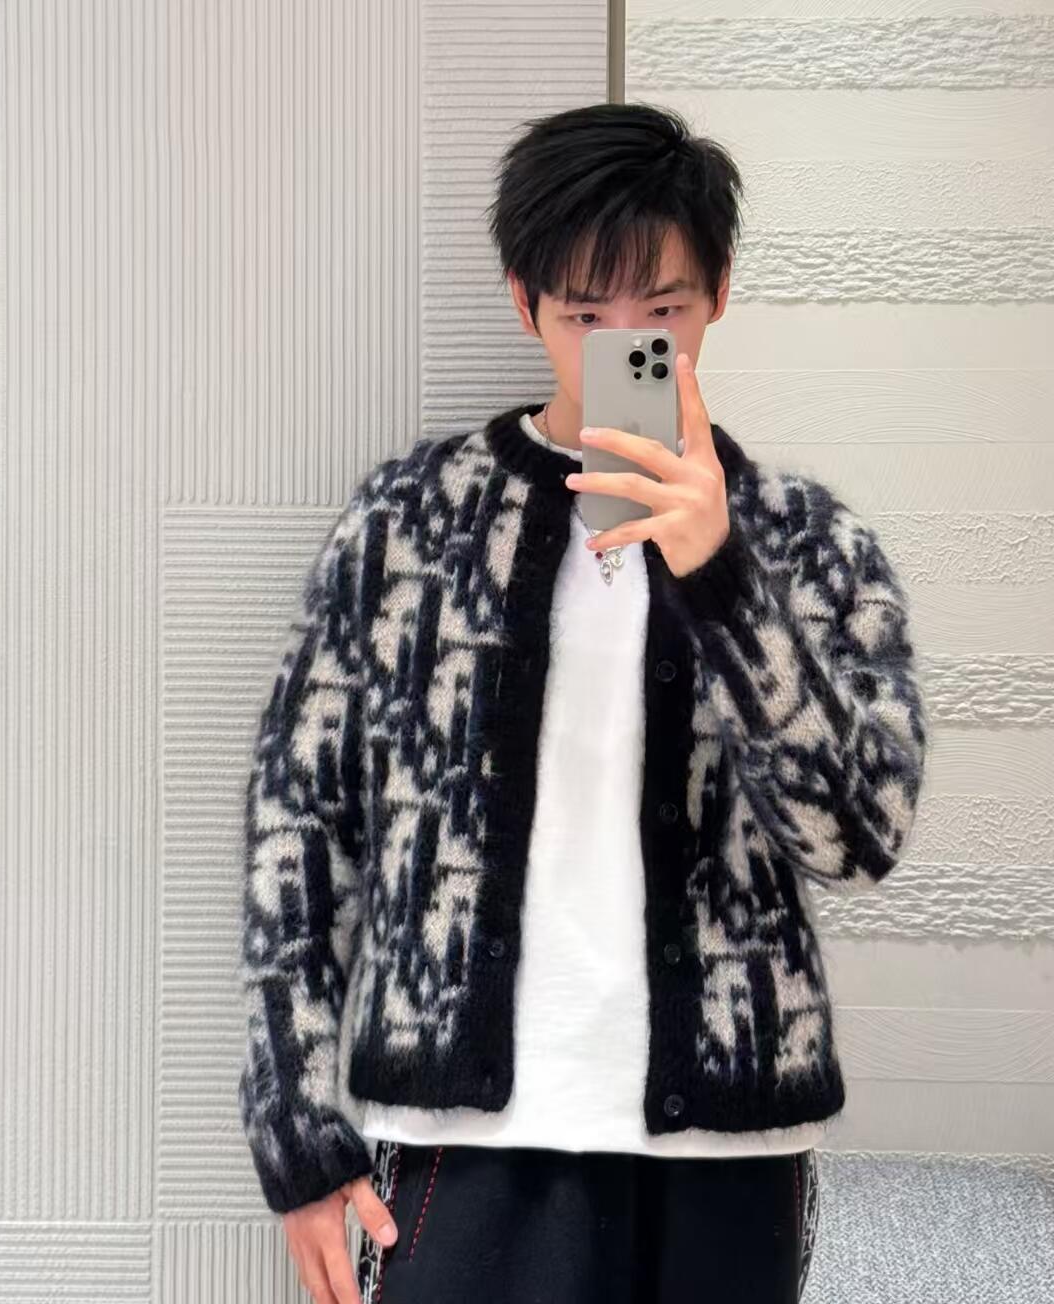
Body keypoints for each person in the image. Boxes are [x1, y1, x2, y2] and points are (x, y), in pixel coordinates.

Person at [236, 102, 927, 1304]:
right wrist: (295, 1127)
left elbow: (857, 836)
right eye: (583, 315)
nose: (623, 346)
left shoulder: (809, 541)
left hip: (728, 1154)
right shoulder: (408, 522)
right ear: (525, 304)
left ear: (719, 293)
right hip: (465, 1143)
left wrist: (721, 575)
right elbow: (299, 823)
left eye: (660, 311)